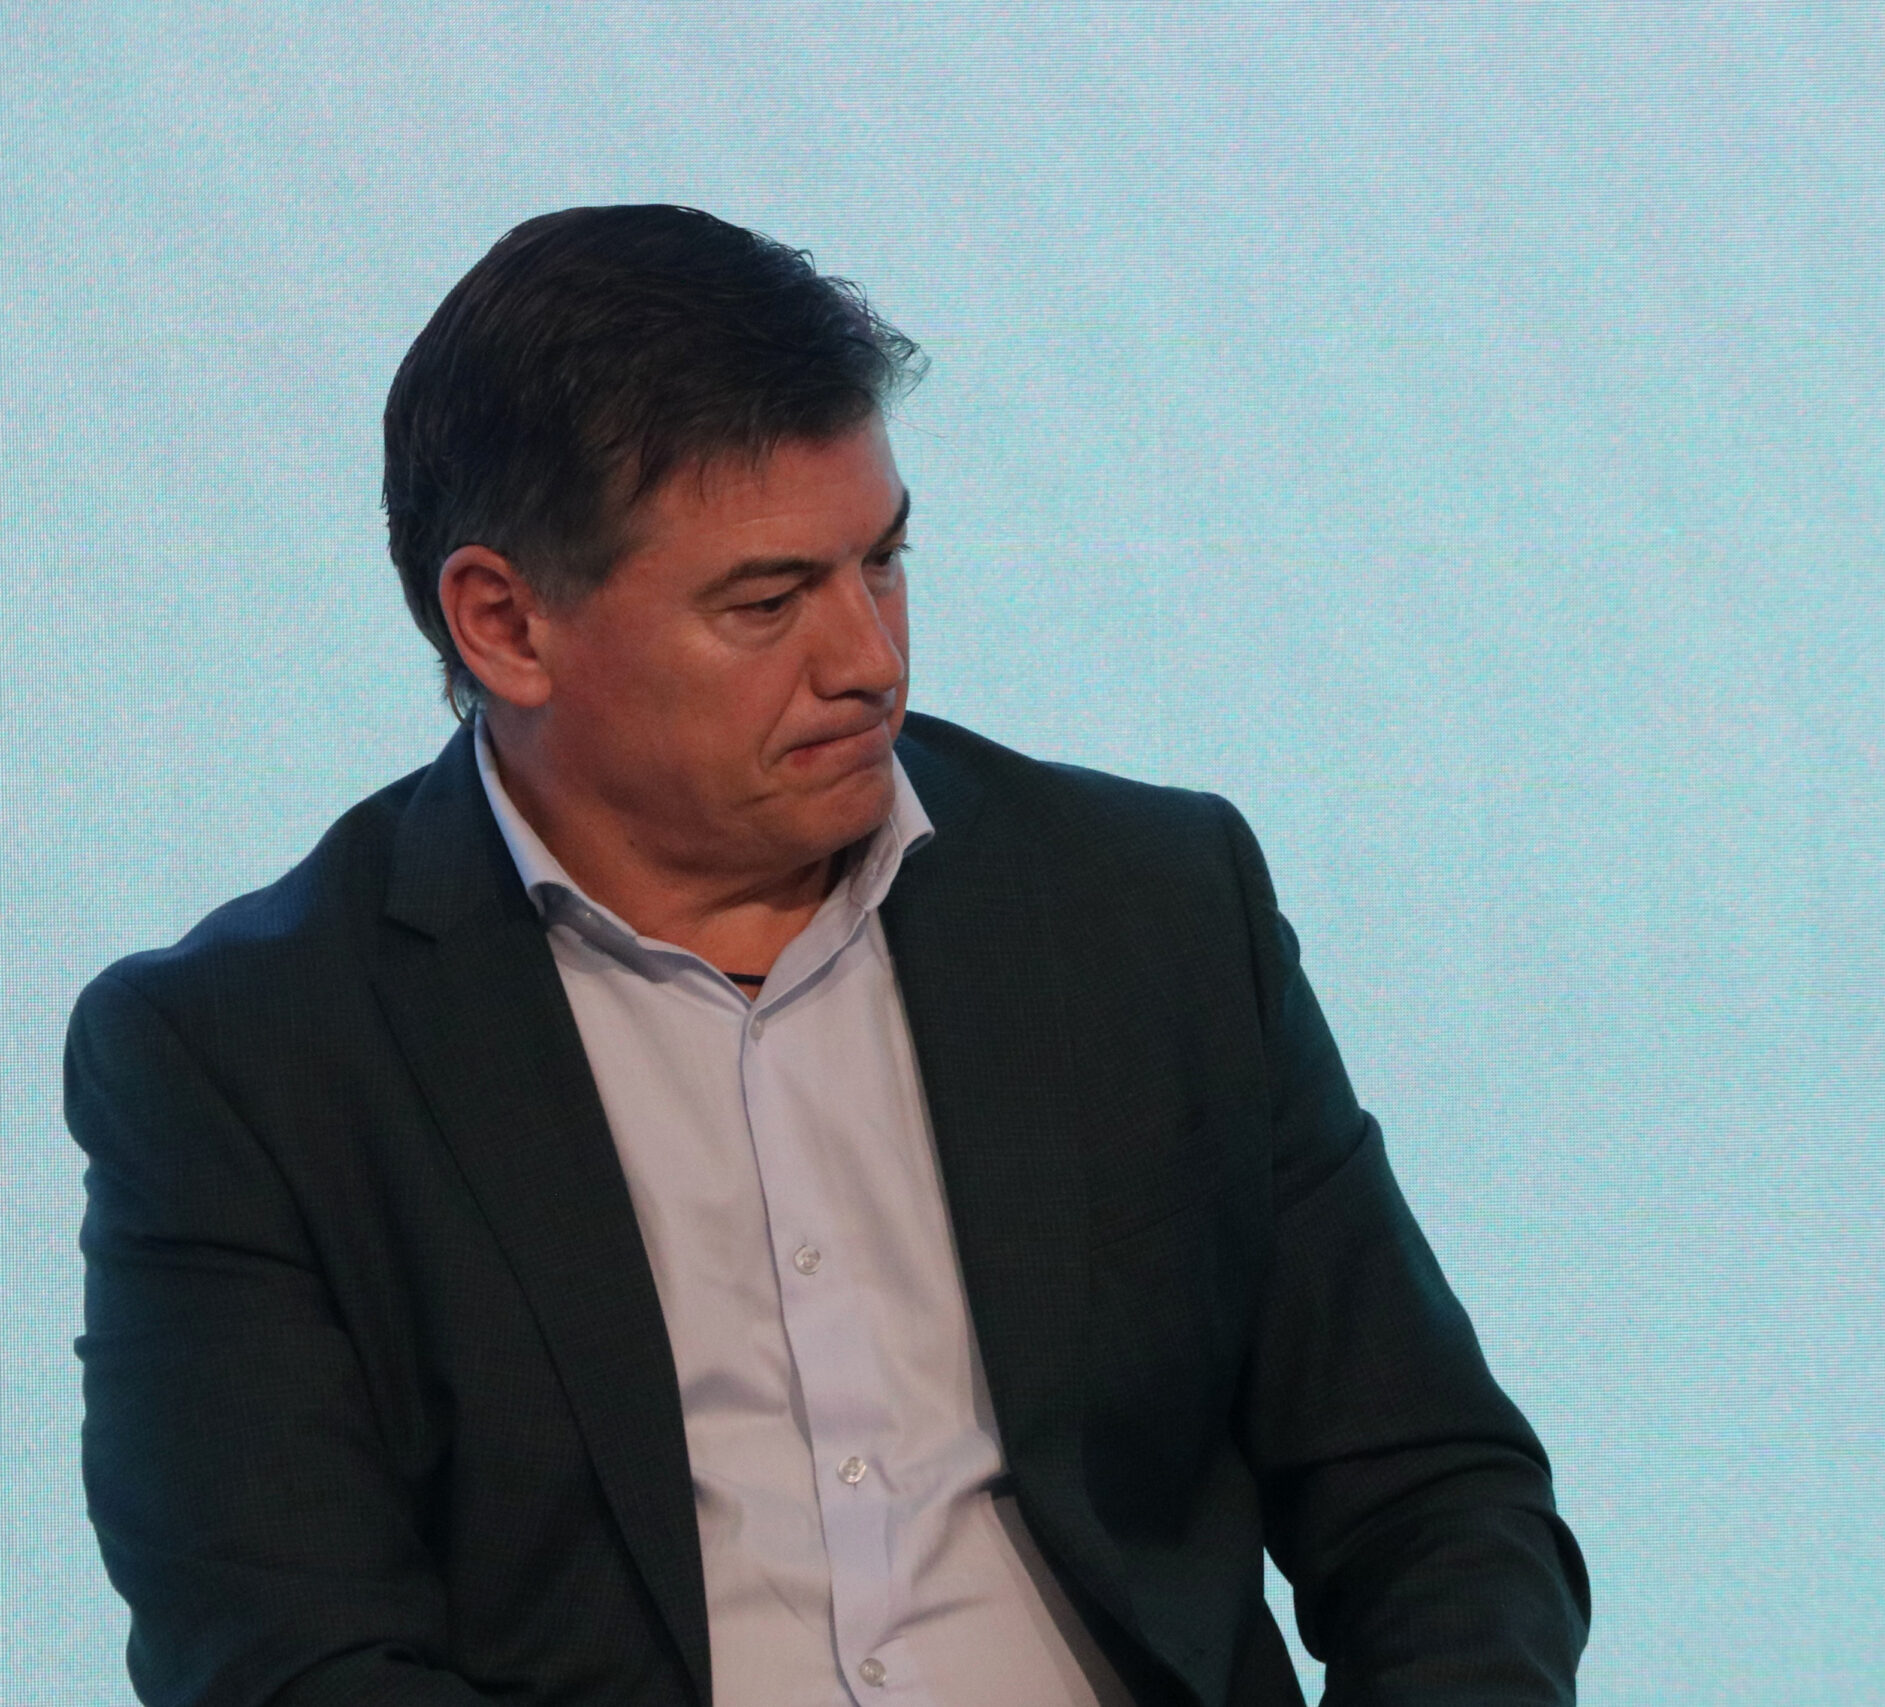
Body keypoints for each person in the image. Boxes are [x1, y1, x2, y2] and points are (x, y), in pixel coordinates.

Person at [65, 204, 1588, 1707]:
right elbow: (282, 1661)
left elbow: (1436, 1498)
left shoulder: (1147, 907)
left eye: (884, 561)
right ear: (505, 626)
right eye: (769, 599)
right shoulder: (244, 1062)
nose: (869, 659)